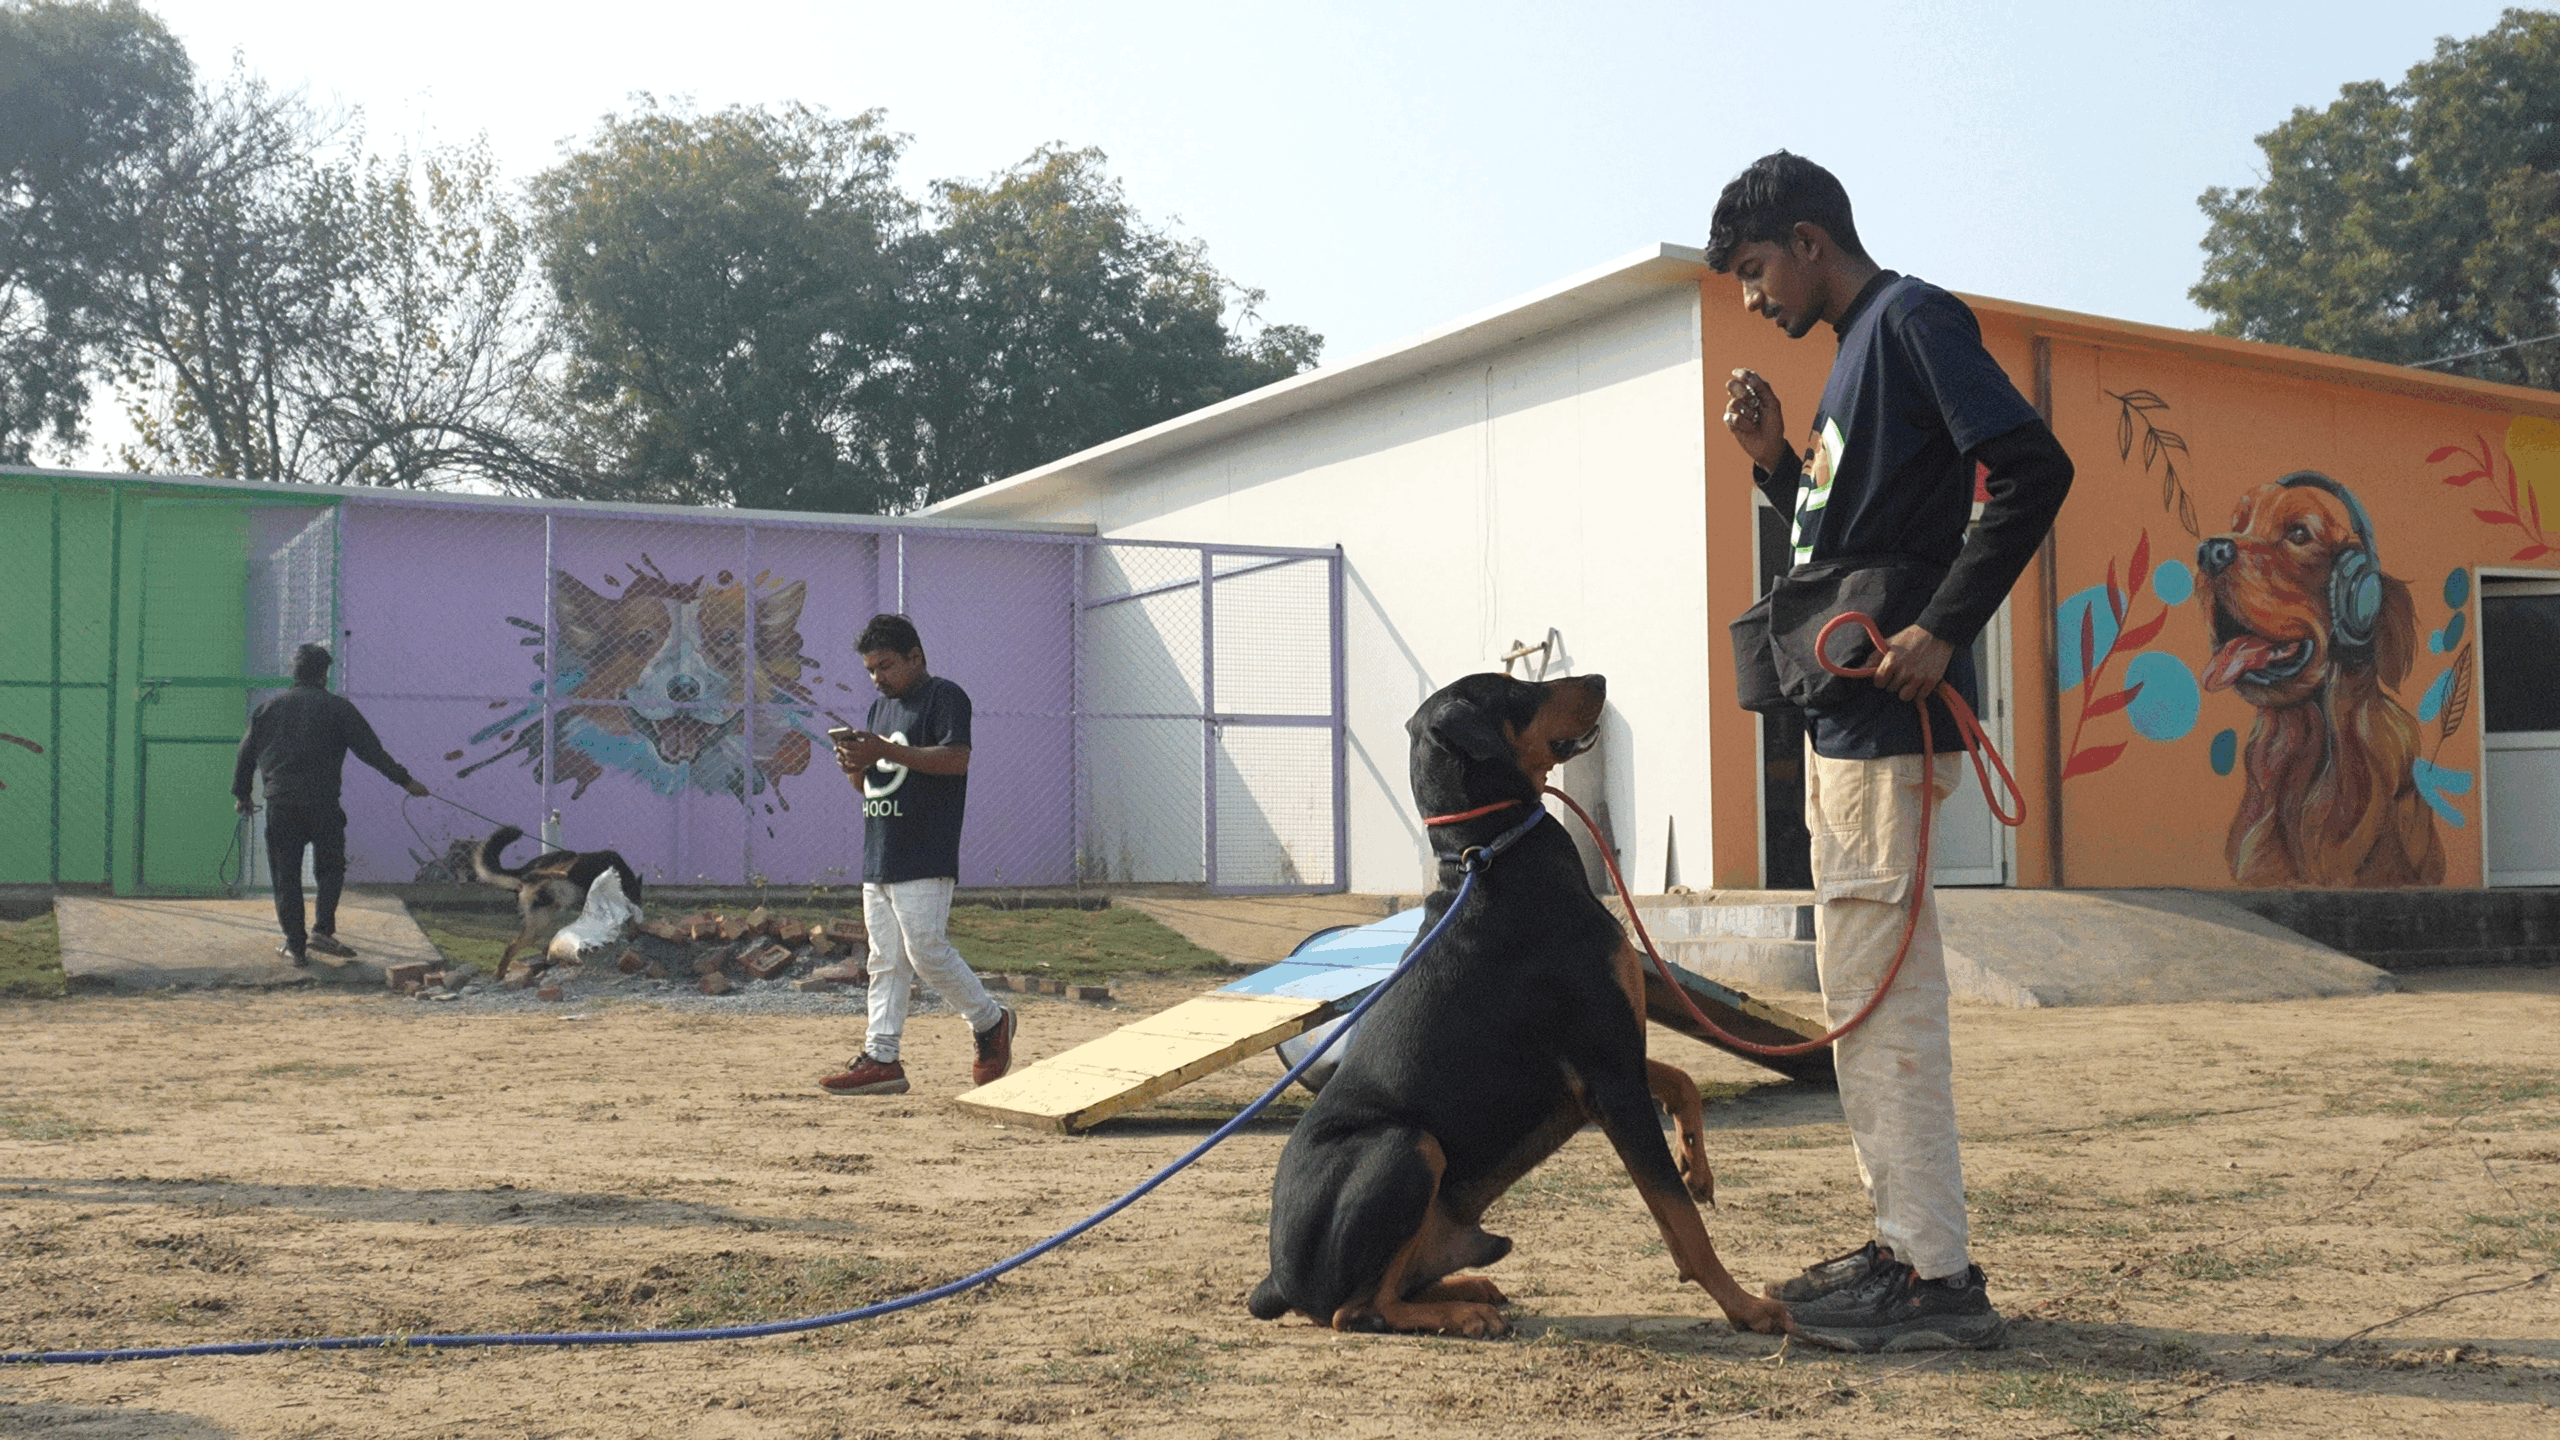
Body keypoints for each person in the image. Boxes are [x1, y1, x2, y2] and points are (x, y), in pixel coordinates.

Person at [1707, 151, 2074, 1352]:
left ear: (1810, 242)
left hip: (1885, 725)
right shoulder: (1850, 359)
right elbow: (1843, 543)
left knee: (1882, 1000)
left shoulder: (1912, 319)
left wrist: (1943, 627)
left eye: (1755, 269)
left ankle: (1933, 1279)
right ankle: (1902, 1247)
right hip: (1843, 721)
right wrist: (1777, 463)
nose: (1751, 297)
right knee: (1859, 999)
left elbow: (2032, 469)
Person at [818, 614, 1017, 1097]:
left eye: (886, 666)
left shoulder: (944, 697)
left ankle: (990, 1021)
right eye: (870, 669)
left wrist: (884, 750)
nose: (877, 677)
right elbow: (869, 786)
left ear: (916, 657)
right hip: (881, 850)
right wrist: (853, 764)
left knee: (926, 951)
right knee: (885, 959)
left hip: (926, 849)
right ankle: (882, 1058)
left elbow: (956, 759)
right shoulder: (878, 711)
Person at [232, 643, 431, 965]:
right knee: (331, 867)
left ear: (294, 672)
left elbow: (245, 754)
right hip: (323, 803)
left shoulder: (268, 709)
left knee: (286, 875)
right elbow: (371, 751)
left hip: (282, 802)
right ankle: (323, 930)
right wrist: (406, 781)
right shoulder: (338, 708)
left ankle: (295, 946)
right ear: (324, 674)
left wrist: (242, 795)